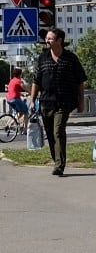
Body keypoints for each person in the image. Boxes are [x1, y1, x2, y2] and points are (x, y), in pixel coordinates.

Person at [30, 28, 87, 176]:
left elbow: (80, 80)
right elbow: (36, 81)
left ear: (59, 41)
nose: (47, 41)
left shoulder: (71, 58)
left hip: (64, 102)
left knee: (58, 131)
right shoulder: (42, 58)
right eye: (47, 39)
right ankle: (56, 160)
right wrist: (32, 100)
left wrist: (81, 101)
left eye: (50, 38)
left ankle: (60, 165)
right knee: (50, 134)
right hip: (45, 102)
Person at [5, 67, 30, 135]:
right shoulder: (19, 80)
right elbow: (24, 87)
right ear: (20, 74)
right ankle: (25, 130)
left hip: (9, 99)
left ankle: (9, 124)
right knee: (26, 112)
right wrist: (31, 92)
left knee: (20, 113)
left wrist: (21, 94)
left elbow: (13, 90)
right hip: (15, 99)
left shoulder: (12, 80)